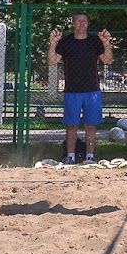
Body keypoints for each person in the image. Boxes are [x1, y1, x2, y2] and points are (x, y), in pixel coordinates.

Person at [47, 13, 113, 165]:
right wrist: (53, 43)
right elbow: (51, 61)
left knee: (90, 125)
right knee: (72, 125)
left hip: (92, 91)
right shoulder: (66, 42)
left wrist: (106, 43)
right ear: (73, 24)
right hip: (72, 91)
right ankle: (70, 156)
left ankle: (90, 157)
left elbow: (108, 60)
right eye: (78, 21)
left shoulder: (95, 41)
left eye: (84, 21)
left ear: (88, 24)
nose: (82, 24)